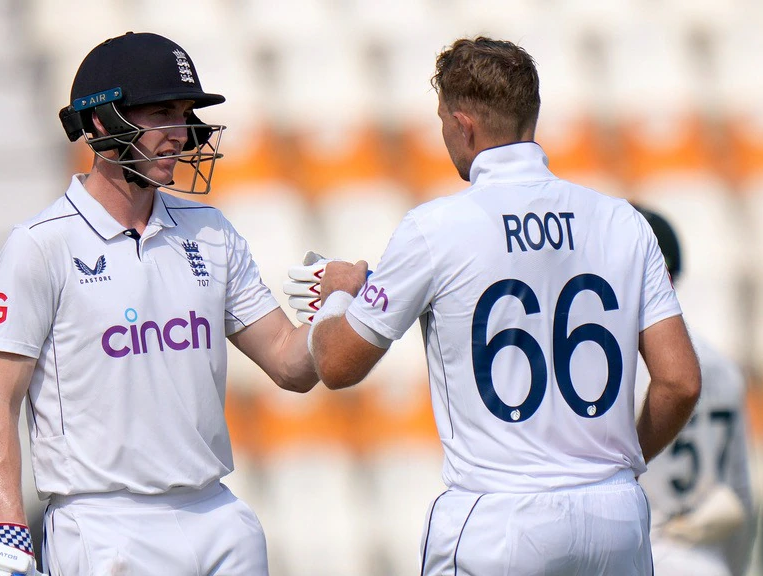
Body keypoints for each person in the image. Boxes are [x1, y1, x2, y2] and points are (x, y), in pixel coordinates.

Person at [300, 37, 701, 575]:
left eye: (442, 119)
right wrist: (617, 469)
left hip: (501, 520)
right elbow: (680, 382)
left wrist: (338, 296)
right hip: (615, 519)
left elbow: (336, 365)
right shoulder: (623, 221)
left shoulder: (434, 229)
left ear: (463, 125)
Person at [0, 32, 318, 576]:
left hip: (219, 514)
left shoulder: (210, 230)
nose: (180, 136)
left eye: (185, 115)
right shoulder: (40, 244)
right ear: (103, 123)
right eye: (162, 114)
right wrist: (7, 528)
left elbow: (289, 362)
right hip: (106, 527)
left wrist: (347, 311)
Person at [633, 206, 755, 576]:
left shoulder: (611, 368)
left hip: (640, 555)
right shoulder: (721, 366)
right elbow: (740, 493)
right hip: (707, 559)